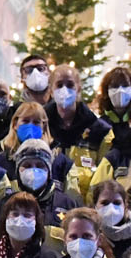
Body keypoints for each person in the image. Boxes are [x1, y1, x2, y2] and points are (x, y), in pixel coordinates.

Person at [3, 134, 79, 251]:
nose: (33, 170)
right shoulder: (4, 204)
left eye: (40, 166)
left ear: (49, 171)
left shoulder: (68, 205)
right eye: (27, 165)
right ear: (18, 170)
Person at [44, 64, 108, 200]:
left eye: (70, 84)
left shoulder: (99, 130)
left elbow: (104, 175)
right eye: (59, 85)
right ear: (51, 90)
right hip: (49, 204)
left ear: (79, 88)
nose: (64, 89)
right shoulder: (42, 125)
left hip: (87, 204)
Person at [91, 180, 131, 256]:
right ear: (95, 206)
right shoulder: (88, 235)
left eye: (117, 203)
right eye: (105, 203)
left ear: (125, 206)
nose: (111, 208)